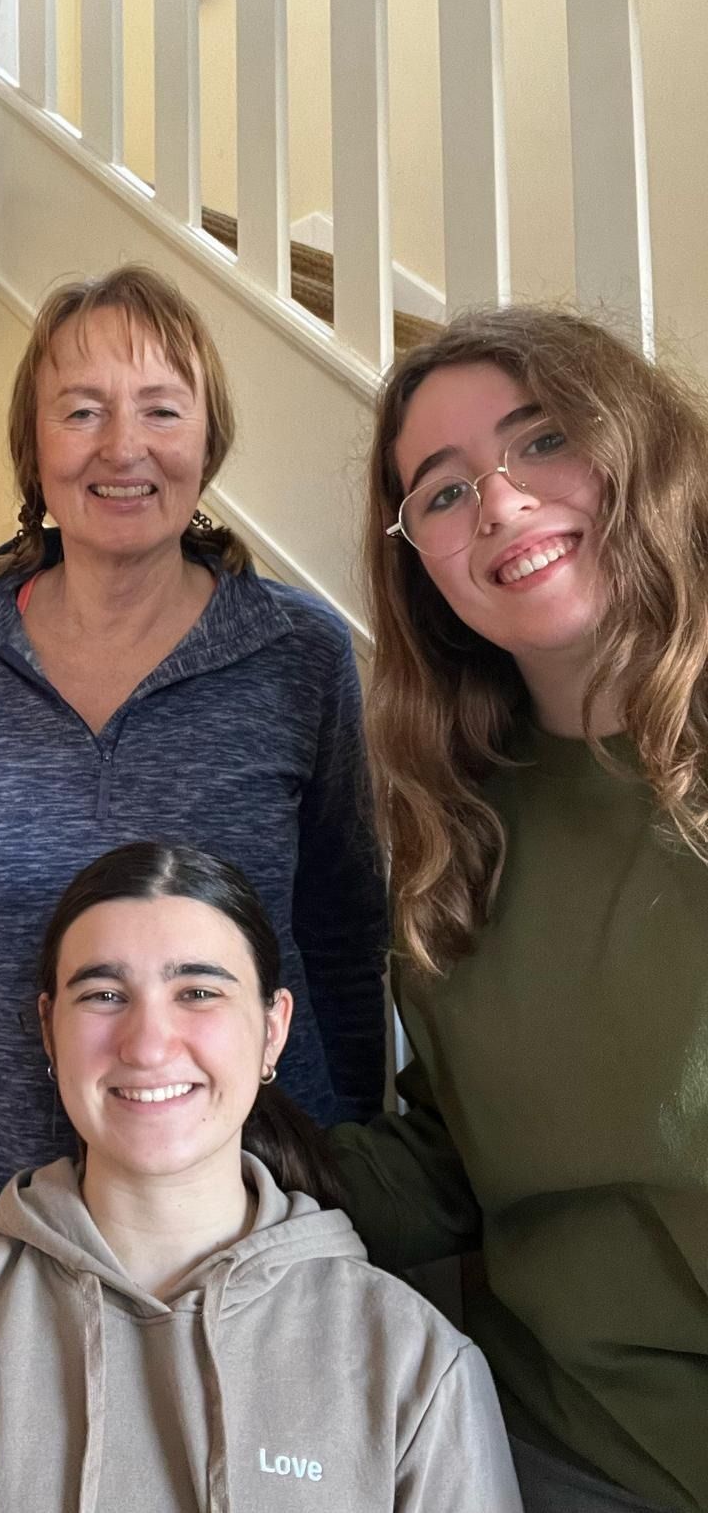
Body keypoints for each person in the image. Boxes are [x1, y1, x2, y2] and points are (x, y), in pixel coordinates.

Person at [0, 265, 388, 1256]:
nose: (124, 447)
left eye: (161, 409)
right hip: (1, 1200)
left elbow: (343, 931)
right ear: (34, 444)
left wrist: (351, 1162)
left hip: (254, 1196)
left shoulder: (297, 653)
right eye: (82, 411)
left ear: (206, 440)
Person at [0, 841, 521, 1512]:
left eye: (199, 991)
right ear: (49, 1031)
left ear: (272, 1030)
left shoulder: (415, 1360)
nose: (146, 1043)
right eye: (104, 994)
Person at [330, 307, 708, 1513]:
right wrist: (225, 1155)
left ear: (631, 444)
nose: (497, 505)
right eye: (440, 494)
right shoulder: (452, 830)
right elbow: (459, 1165)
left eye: (540, 441)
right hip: (550, 1451)